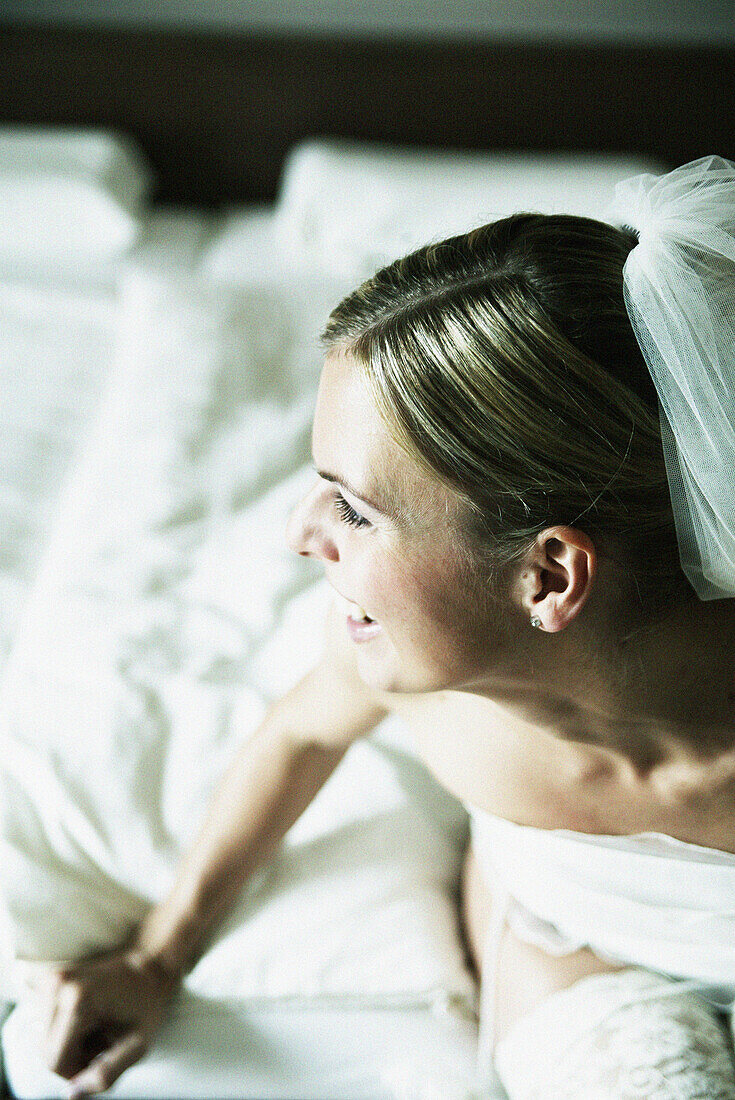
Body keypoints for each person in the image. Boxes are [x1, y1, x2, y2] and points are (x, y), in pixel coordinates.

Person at [33, 156, 735, 1098]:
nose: (300, 534)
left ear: (549, 573)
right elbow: (298, 733)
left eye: (354, 509)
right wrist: (157, 958)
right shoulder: (391, 663)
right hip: (579, 949)